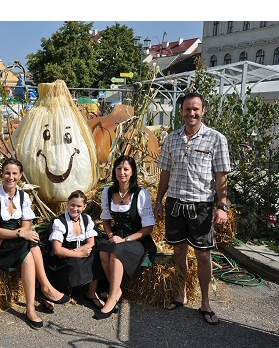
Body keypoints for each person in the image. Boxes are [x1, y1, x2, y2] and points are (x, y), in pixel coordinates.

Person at [154, 92, 231, 326]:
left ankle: (206, 303)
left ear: (203, 111)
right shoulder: (172, 139)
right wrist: (158, 201)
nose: (191, 113)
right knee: (178, 252)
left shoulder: (216, 139)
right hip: (175, 203)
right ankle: (181, 294)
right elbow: (165, 173)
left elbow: (221, 176)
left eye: (196, 109)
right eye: (187, 109)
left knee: (203, 254)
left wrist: (222, 206)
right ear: (181, 112)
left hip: (202, 206)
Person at [0, 158, 71, 330]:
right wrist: (15, 234)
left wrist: (17, 233)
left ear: (20, 175)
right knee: (29, 253)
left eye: (15, 173)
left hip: (11, 239)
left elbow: (26, 224)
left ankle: (44, 288)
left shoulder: (24, 196)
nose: (10, 177)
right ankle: (33, 305)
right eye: (7, 173)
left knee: (33, 244)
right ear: (2, 174)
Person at [94, 155, 157, 320]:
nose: (122, 172)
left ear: (133, 172)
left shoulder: (141, 194)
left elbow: (148, 228)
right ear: (114, 171)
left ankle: (111, 298)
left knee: (116, 251)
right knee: (102, 250)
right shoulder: (108, 192)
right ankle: (117, 290)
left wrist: (125, 240)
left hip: (137, 239)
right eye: (119, 169)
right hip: (116, 235)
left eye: (126, 169)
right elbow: (106, 220)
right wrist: (110, 235)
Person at [46, 190, 105, 308]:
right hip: (63, 255)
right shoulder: (60, 222)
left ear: (84, 207)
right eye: (72, 205)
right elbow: (58, 251)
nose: (75, 209)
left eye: (79, 206)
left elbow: (91, 242)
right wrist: (78, 254)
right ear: (67, 203)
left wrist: (82, 252)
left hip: (80, 250)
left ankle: (92, 292)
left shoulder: (86, 219)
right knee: (73, 263)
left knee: (97, 256)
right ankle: (56, 292)